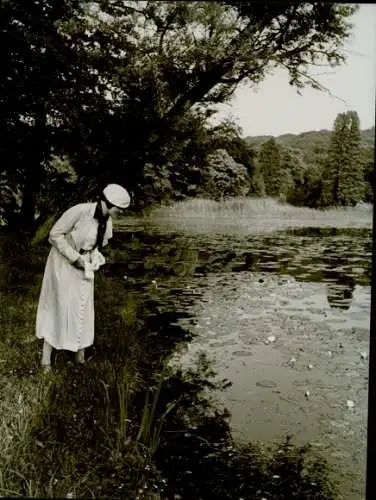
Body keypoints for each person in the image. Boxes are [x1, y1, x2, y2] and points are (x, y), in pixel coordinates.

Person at [36, 183, 131, 373]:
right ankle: (46, 359)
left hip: (84, 266)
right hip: (62, 264)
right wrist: (75, 258)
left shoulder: (107, 220)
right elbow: (55, 235)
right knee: (59, 305)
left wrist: (94, 258)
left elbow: (95, 245)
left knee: (83, 307)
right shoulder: (79, 211)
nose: (120, 213)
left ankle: (79, 355)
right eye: (119, 209)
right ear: (108, 203)